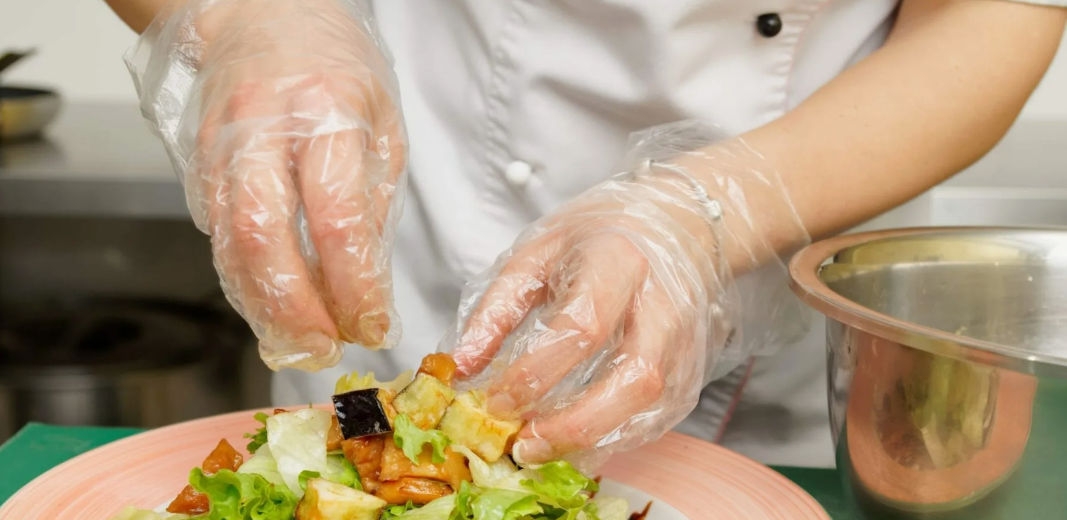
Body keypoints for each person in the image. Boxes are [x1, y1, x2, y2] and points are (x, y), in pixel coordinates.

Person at [106, 0, 1065, 470]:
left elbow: (996, 12)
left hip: (802, 258)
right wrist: (247, 19)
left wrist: (709, 208)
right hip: (417, 225)